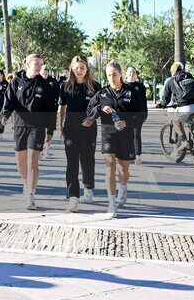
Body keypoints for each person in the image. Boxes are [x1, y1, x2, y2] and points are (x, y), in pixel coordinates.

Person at [87, 61, 147, 219]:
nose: (111, 77)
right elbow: (89, 110)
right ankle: (112, 204)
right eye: (108, 75)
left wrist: (128, 122)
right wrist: (100, 108)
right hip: (108, 135)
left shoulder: (132, 92)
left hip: (126, 135)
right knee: (110, 169)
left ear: (120, 74)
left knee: (123, 171)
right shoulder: (102, 93)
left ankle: (123, 188)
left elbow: (142, 114)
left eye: (114, 74)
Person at [0, 54, 57, 210]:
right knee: (21, 161)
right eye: (36, 64)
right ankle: (26, 183)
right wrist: (4, 115)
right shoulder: (15, 82)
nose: (39, 66)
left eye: (41, 64)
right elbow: (9, 102)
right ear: (27, 64)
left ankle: (31, 195)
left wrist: (51, 129)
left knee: (33, 162)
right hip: (19, 125)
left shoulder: (45, 86)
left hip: (37, 127)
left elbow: (51, 109)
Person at [58, 56, 98, 212]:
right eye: (76, 68)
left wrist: (92, 118)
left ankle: (88, 188)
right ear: (71, 69)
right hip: (71, 129)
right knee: (72, 163)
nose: (79, 70)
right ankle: (73, 196)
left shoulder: (95, 86)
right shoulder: (66, 86)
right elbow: (62, 108)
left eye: (82, 67)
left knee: (88, 161)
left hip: (89, 130)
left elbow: (100, 107)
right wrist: (60, 127)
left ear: (87, 68)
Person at [160, 62, 194, 162]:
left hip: (185, 107)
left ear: (173, 72)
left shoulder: (171, 81)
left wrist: (161, 105)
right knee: (190, 119)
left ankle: (184, 141)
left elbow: (166, 99)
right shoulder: (189, 76)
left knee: (175, 120)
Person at [124, 67, 149, 165]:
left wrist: (145, 114)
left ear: (136, 74)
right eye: (130, 72)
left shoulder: (140, 87)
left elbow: (144, 101)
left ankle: (137, 155)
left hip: (138, 115)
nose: (132, 73)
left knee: (136, 134)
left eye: (133, 72)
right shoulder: (122, 85)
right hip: (125, 114)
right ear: (126, 74)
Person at [40, 66, 61, 159]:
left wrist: (57, 105)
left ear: (48, 73)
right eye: (42, 73)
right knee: (40, 130)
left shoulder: (53, 82)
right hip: (40, 110)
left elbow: (58, 95)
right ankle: (39, 149)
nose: (44, 75)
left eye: (46, 73)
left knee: (50, 130)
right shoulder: (37, 81)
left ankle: (47, 149)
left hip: (52, 110)